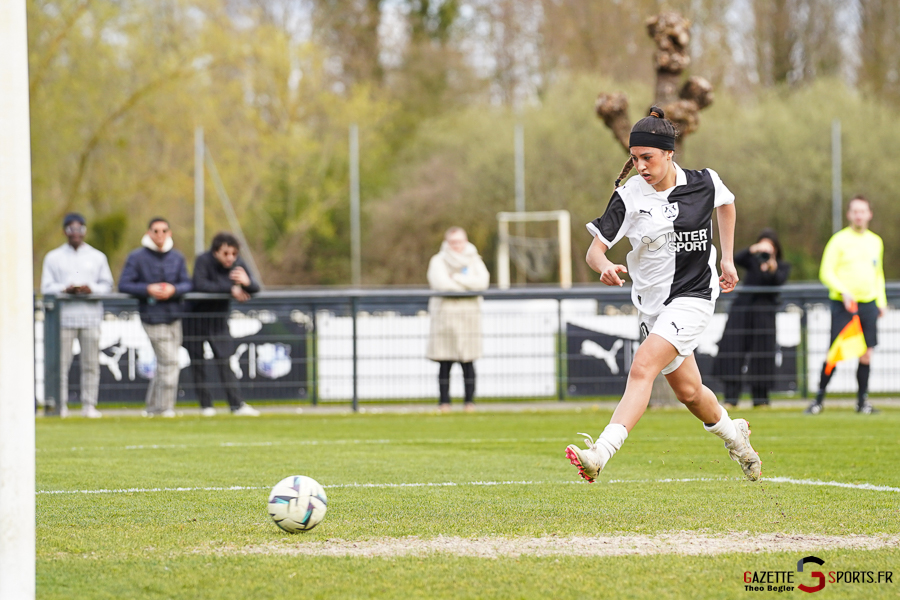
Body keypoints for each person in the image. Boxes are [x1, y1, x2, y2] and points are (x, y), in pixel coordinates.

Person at [566, 107, 761, 483]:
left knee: (642, 367)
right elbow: (594, 250)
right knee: (690, 393)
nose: (640, 166)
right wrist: (602, 265)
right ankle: (737, 438)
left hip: (695, 296)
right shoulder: (628, 197)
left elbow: (727, 204)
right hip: (652, 307)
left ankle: (599, 453)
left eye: (648, 157)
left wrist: (729, 259)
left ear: (669, 153)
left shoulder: (704, 182)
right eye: (635, 158)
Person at [805, 196, 885, 415]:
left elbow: (878, 274)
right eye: (855, 211)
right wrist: (843, 290)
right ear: (849, 214)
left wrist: (881, 301)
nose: (859, 215)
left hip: (868, 303)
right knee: (835, 352)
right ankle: (818, 401)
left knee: (866, 353)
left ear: (869, 214)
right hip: (843, 304)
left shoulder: (876, 241)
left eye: (863, 211)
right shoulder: (838, 240)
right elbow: (826, 272)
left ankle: (862, 403)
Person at [40, 213, 114, 418]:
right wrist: (66, 289)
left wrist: (90, 289)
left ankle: (89, 405)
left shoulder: (97, 256)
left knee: (90, 363)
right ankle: (60, 405)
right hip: (63, 319)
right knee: (61, 364)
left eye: (79, 228)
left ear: (85, 230)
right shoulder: (53, 257)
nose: (75, 233)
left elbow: (107, 285)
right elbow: (47, 287)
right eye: (71, 229)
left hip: (90, 317)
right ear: (65, 231)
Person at [118, 217, 192, 417]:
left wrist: (173, 289)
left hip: (174, 317)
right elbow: (124, 284)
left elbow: (188, 283)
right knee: (170, 362)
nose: (160, 235)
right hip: (152, 317)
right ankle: (165, 408)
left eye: (164, 231)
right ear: (148, 233)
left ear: (169, 233)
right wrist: (147, 289)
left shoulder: (177, 257)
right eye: (156, 231)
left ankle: (151, 407)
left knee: (164, 364)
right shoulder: (136, 257)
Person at [185, 232, 261, 417]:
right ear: (215, 252)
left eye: (234, 254)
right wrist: (230, 288)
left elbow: (255, 288)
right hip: (194, 319)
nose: (231, 258)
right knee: (198, 364)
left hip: (219, 321)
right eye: (226, 253)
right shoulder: (203, 261)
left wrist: (247, 282)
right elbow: (200, 285)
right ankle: (206, 406)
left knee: (225, 362)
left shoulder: (238, 264)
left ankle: (236, 405)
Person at [713, 229, 791, 408]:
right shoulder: (752, 260)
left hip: (764, 314)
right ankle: (731, 398)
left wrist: (771, 266)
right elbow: (737, 259)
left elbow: (778, 281)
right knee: (733, 351)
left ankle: (761, 399)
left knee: (762, 355)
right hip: (742, 310)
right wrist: (753, 250)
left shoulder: (781, 266)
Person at [426, 227, 490, 412]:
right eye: (453, 242)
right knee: (444, 363)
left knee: (468, 363)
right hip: (445, 321)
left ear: (465, 241)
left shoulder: (474, 259)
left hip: (469, 320)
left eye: (459, 241)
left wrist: (457, 278)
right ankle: (444, 402)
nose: (456, 246)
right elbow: (441, 284)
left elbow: (482, 282)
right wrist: (468, 284)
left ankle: (469, 402)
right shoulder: (437, 260)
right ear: (447, 242)